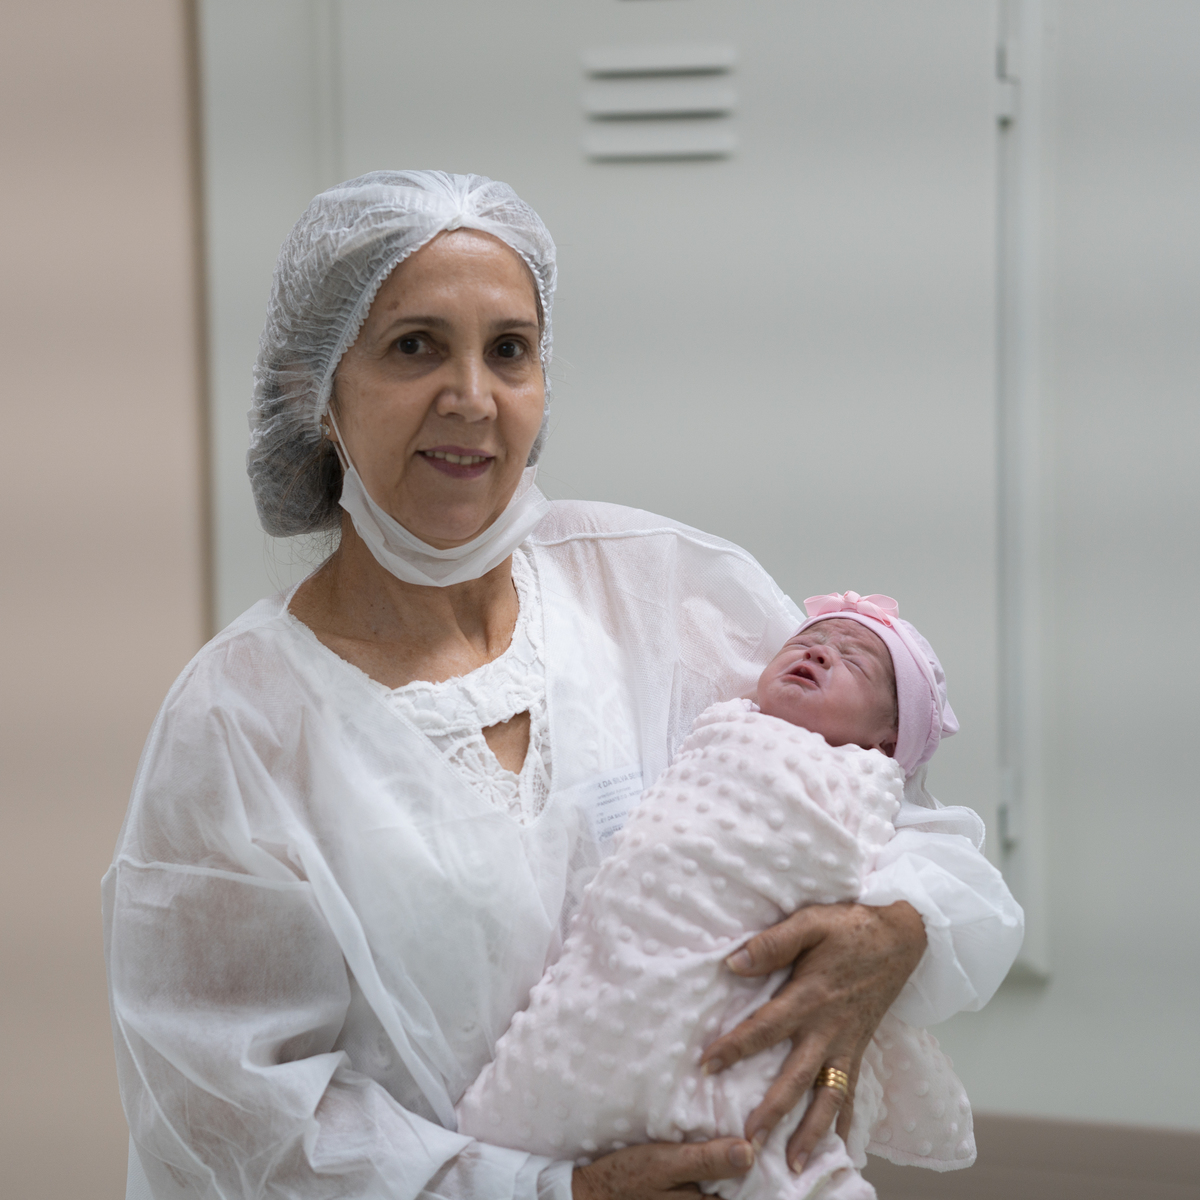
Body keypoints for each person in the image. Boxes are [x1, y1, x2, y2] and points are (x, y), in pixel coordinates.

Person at [102, 172, 1024, 1200]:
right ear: (313, 393)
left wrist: (889, 939)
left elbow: (900, 820)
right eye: (414, 346)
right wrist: (554, 1192)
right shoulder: (239, 724)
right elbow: (230, 1119)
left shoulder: (665, 590)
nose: (472, 398)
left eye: (509, 349)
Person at [457, 595, 988, 1200]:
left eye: (854, 661)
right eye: (806, 642)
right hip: (632, 945)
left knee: (770, 1110)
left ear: (888, 738)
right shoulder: (720, 725)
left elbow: (942, 890)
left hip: (750, 982)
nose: (819, 652)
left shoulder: (868, 782)